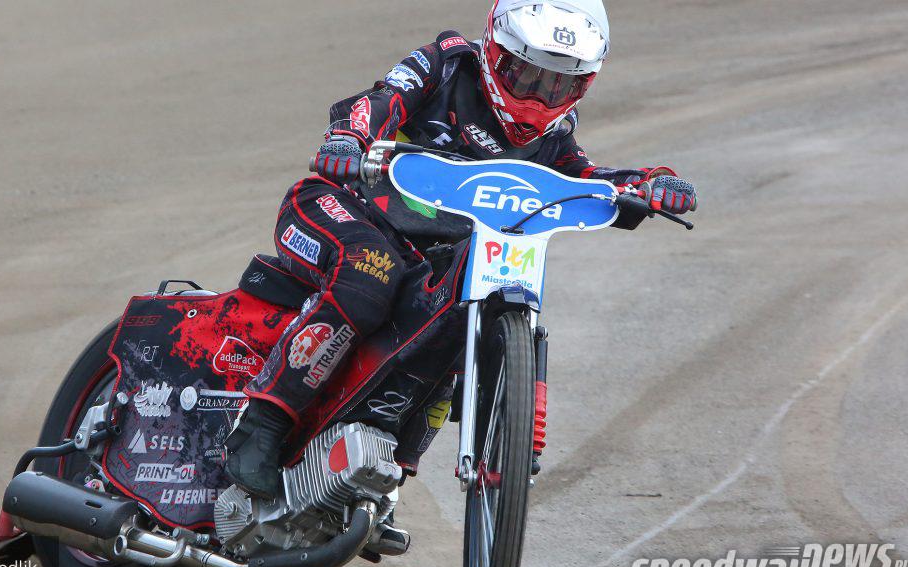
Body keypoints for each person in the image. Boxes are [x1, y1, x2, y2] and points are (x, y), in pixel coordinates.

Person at [224, 0, 698, 502]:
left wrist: (651, 184)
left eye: (559, 85)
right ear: (495, 50)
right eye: (527, 76)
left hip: (423, 255)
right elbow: (382, 100)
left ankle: (376, 477)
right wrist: (348, 137)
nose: (540, 96)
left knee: (455, 304)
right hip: (339, 206)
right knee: (371, 275)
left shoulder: (555, 135)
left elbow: (587, 178)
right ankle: (262, 423)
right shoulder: (447, 64)